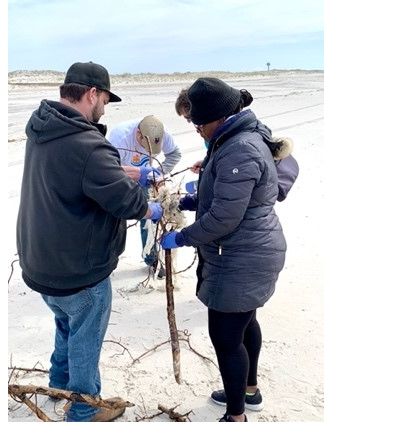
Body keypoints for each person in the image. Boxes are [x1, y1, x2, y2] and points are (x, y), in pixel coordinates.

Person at [16, 61, 163, 422]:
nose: (104, 108)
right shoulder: (87, 144)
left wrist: (119, 170)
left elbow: (77, 173)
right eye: (105, 100)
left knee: (66, 322)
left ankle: (58, 383)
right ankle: (83, 411)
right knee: (84, 337)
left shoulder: (44, 129)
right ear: (92, 93)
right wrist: (153, 209)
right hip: (78, 271)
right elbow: (128, 203)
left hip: (40, 263)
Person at [162, 77, 287, 422]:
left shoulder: (239, 147)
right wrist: (188, 201)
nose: (197, 129)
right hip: (248, 251)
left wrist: (183, 237)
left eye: (199, 122)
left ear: (218, 116)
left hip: (242, 257)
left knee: (226, 338)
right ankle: (249, 391)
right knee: (245, 324)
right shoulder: (234, 138)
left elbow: (224, 218)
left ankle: (236, 416)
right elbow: (225, 193)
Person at [175, 87, 299, 202]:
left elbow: (233, 182)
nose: (192, 124)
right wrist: (207, 165)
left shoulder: (235, 138)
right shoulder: (214, 131)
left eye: (190, 118)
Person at [108, 115, 181, 278]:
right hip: (120, 181)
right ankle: (109, 258)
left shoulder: (163, 134)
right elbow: (109, 169)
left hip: (146, 181)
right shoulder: (120, 137)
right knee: (115, 219)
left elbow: (175, 154)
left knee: (149, 219)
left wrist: (160, 174)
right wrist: (137, 174)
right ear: (138, 134)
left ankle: (152, 258)